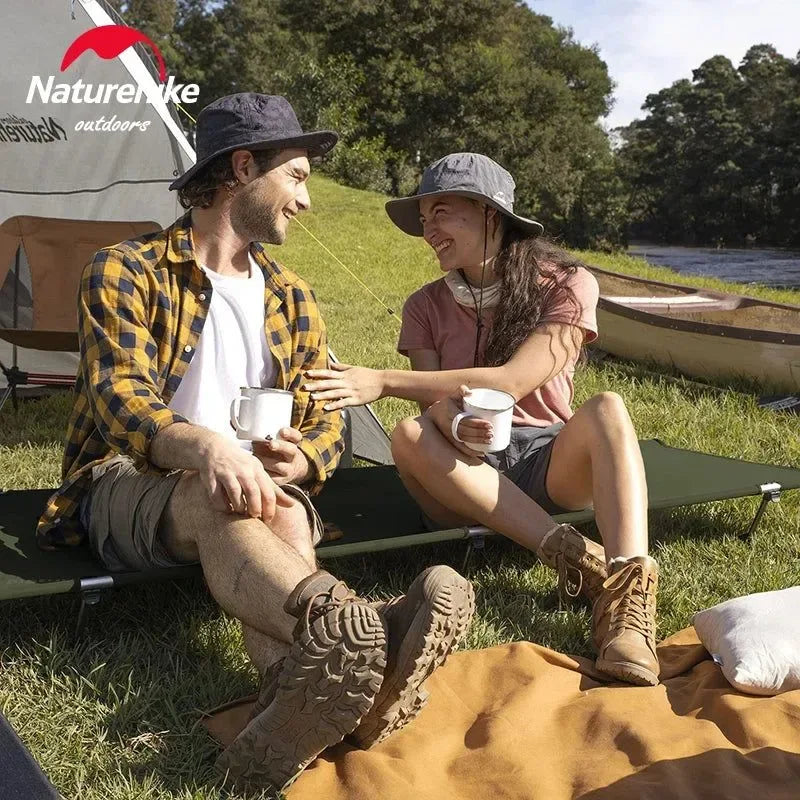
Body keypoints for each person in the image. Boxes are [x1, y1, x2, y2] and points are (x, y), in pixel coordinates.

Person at [36, 96, 474, 792]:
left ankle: (297, 696)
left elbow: (327, 414)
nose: (305, 200)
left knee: (286, 510)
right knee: (223, 494)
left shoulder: (291, 296)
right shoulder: (125, 269)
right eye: (295, 177)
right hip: (126, 481)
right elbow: (120, 399)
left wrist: (305, 456)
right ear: (242, 168)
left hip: (252, 487)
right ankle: (361, 627)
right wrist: (207, 449)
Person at [303, 152, 660, 687]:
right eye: (424, 218)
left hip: (546, 461)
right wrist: (454, 425)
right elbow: (432, 408)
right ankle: (575, 559)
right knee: (409, 434)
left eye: (442, 212)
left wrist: (381, 380)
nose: (429, 230)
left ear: (491, 214)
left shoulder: (567, 284)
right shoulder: (423, 306)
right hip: (463, 477)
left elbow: (513, 381)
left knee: (608, 407)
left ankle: (627, 603)